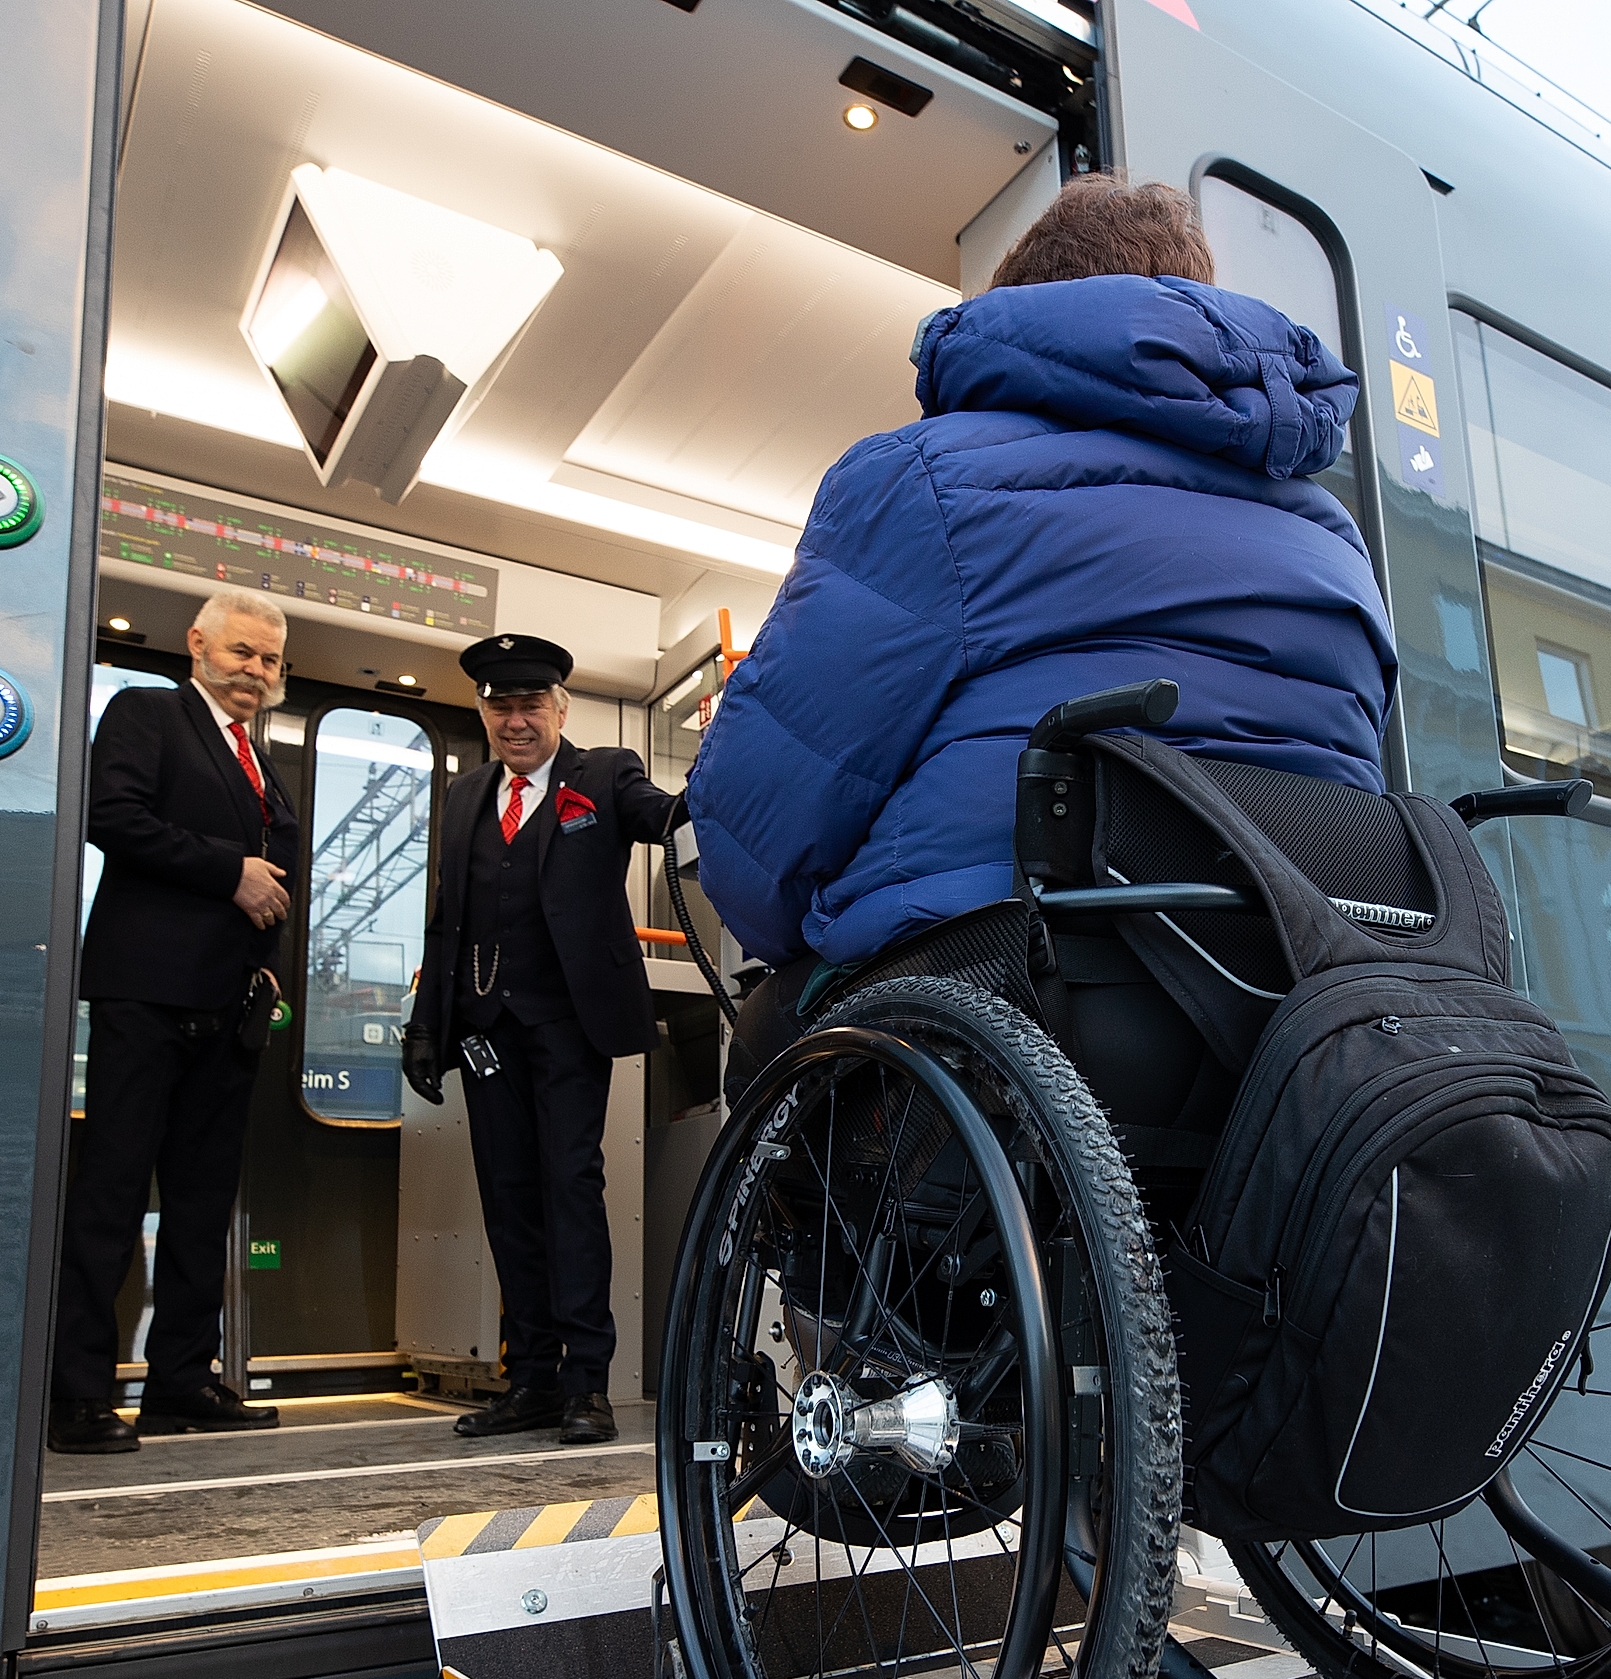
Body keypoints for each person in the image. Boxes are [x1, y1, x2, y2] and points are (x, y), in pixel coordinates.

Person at [682, 171, 1395, 1029]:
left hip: (1008, 1006)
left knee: (761, 1034)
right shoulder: (1337, 545)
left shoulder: (925, 483)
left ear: (1022, 311)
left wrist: (787, 930)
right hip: (1290, 1021)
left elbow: (757, 836)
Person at [401, 633, 687, 1446]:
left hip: (568, 1025)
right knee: (509, 1199)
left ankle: (585, 1383)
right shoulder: (464, 796)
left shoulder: (604, 775)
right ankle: (528, 1377)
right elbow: (446, 919)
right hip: (485, 1031)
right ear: (482, 711)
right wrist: (429, 1028)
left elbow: (663, 817)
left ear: (561, 709)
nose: (514, 720)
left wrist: (721, 783)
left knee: (569, 1188)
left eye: (530, 705)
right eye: (500, 704)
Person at [48, 590, 304, 1456]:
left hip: (231, 1008)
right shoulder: (146, 714)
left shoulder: (264, 762)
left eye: (269, 660)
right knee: (111, 1196)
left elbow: (284, 880)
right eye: (242, 652)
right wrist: (227, 872)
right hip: (146, 994)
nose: (255, 671)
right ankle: (77, 1393)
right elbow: (110, 818)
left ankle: (181, 1381)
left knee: (201, 1204)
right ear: (197, 643)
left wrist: (269, 969)